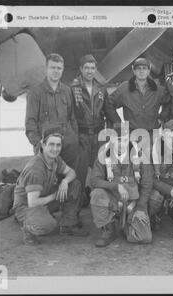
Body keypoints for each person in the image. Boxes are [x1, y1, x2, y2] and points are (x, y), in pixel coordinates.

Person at [12, 126, 86, 246]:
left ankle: (67, 225)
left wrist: (65, 182)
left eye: (58, 145)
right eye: (51, 144)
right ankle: (28, 228)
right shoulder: (36, 168)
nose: (55, 149)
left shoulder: (55, 160)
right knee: (48, 225)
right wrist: (56, 196)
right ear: (43, 144)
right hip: (26, 207)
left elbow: (72, 172)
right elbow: (33, 203)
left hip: (43, 198)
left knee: (75, 185)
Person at [89, 125, 154, 247]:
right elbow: (94, 181)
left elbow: (147, 184)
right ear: (111, 140)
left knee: (144, 237)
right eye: (117, 140)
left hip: (133, 203)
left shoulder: (139, 156)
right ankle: (108, 228)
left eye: (124, 140)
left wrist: (140, 207)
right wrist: (116, 186)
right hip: (113, 200)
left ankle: (127, 226)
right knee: (97, 194)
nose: (121, 144)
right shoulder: (104, 156)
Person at [25, 53, 80, 171]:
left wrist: (75, 138)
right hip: (46, 147)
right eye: (52, 68)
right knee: (47, 184)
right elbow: (30, 124)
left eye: (59, 68)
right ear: (46, 69)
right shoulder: (35, 93)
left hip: (68, 146)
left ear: (63, 70)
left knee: (70, 180)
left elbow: (72, 117)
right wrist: (38, 144)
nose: (56, 71)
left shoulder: (67, 90)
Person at [71, 54, 108, 192]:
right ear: (81, 69)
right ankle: (75, 206)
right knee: (79, 173)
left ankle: (97, 203)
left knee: (99, 170)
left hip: (98, 136)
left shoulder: (101, 88)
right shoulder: (73, 88)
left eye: (92, 68)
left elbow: (108, 110)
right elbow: (70, 114)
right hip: (82, 136)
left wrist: (119, 128)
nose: (90, 71)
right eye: (86, 68)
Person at [104, 57, 166, 132]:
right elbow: (109, 103)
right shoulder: (124, 88)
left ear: (149, 70)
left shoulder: (158, 90)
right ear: (133, 70)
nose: (141, 71)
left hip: (152, 134)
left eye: (144, 68)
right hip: (132, 134)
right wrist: (118, 123)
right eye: (138, 68)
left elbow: (169, 103)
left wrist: (161, 118)